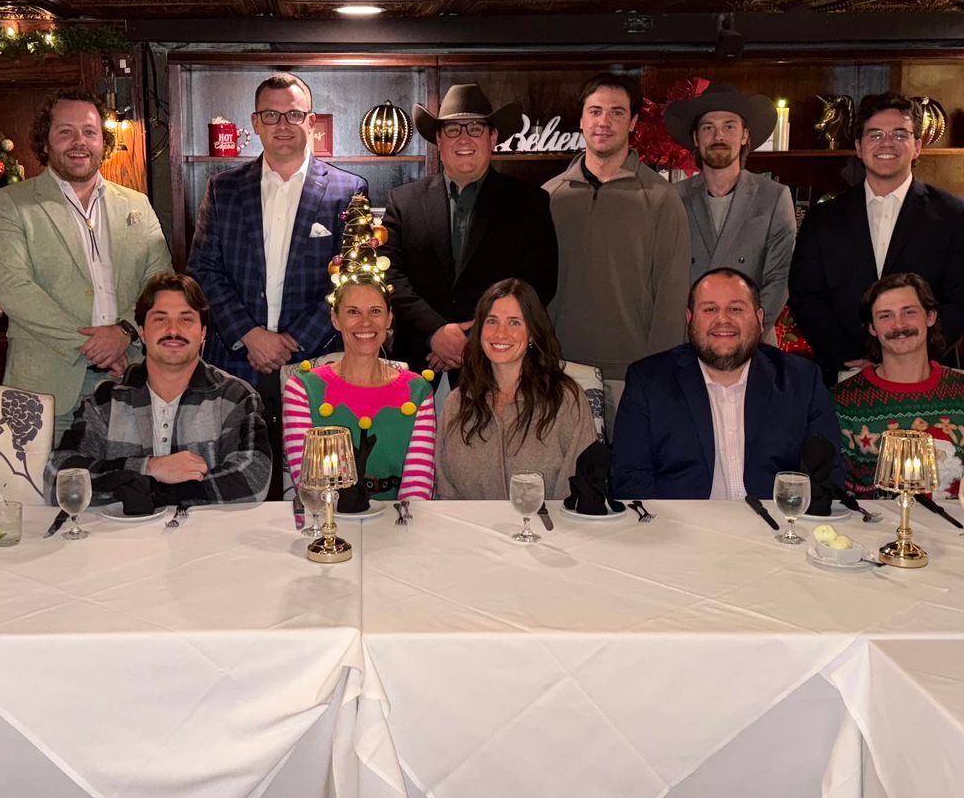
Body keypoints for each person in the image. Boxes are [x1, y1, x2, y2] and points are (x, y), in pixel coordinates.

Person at [187, 72, 364, 493]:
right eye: (271, 115)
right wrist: (250, 335)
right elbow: (203, 269)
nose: (283, 125)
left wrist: (293, 341)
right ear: (255, 122)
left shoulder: (349, 190)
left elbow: (350, 280)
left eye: (293, 114)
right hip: (234, 362)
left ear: (311, 121)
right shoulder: (223, 188)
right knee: (235, 485)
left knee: (318, 484)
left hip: (315, 360)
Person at [0, 88, 170, 421]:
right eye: (65, 132)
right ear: (45, 142)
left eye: (89, 132)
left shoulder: (137, 204)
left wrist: (124, 331)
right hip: (45, 389)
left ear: (103, 142)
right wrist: (94, 346)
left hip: (130, 378)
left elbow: (160, 282)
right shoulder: (12, 203)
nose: (79, 142)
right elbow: (14, 289)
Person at [789, 92, 964, 383]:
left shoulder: (955, 215)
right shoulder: (823, 218)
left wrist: (907, 357)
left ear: (917, 146)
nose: (887, 143)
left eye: (900, 134)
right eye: (875, 134)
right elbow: (806, 295)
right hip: (844, 373)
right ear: (859, 147)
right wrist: (849, 357)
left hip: (926, 373)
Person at [612, 268, 840, 501]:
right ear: (689, 320)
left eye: (736, 309)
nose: (723, 320)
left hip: (776, 521)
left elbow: (827, 475)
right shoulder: (648, 381)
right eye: (710, 309)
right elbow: (630, 478)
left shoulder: (802, 380)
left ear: (760, 319)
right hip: (680, 521)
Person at [544, 72, 690, 430]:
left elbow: (671, 296)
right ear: (581, 120)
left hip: (633, 374)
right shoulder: (548, 197)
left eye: (617, 112)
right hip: (560, 370)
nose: (604, 121)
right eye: (595, 111)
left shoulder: (661, 199)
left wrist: (658, 372)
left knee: (630, 465)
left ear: (634, 122)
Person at [382, 84, 559, 375]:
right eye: (452, 130)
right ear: (439, 139)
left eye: (475, 128)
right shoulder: (403, 202)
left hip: (497, 364)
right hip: (417, 362)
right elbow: (390, 276)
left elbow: (539, 283)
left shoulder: (529, 203)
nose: (464, 138)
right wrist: (435, 332)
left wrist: (474, 338)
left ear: (493, 138)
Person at [54, 272, 272, 504]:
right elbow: (59, 476)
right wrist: (149, 468)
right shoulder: (106, 400)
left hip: (202, 529)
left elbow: (252, 480)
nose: (173, 330)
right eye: (160, 319)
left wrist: (149, 491)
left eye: (186, 319)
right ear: (142, 332)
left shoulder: (234, 397)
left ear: (203, 333)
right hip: (121, 529)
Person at [280, 198, 437, 502]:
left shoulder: (418, 391)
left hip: (399, 523)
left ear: (389, 319)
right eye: (353, 312)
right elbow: (309, 486)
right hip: (331, 519)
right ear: (335, 319)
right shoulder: (302, 389)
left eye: (375, 311)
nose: (365, 322)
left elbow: (417, 491)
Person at [833, 272, 964, 494]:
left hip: (957, 516)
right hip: (873, 516)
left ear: (930, 317)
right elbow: (834, 491)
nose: (899, 325)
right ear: (872, 328)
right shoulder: (844, 402)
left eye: (909, 312)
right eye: (885, 316)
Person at [435, 278, 600, 500]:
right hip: (466, 523)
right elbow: (445, 491)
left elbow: (580, 489)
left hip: (549, 522)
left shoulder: (565, 399)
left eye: (514, 322)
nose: (500, 333)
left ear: (532, 333)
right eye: (492, 321)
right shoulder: (457, 402)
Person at [665, 86, 796, 334]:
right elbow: (663, 280)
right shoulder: (673, 198)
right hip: (688, 338)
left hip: (751, 340)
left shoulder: (774, 197)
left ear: (745, 135)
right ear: (696, 138)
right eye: (708, 128)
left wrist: (746, 331)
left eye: (729, 126)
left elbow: (780, 277)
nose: (719, 136)